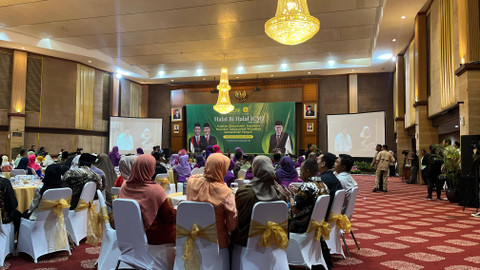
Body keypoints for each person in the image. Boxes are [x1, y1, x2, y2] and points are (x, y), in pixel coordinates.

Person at [118, 155, 176, 245]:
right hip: (151, 235)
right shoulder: (155, 189)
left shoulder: (124, 186)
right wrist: (178, 211)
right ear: (150, 170)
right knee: (185, 230)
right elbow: (168, 217)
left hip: (127, 233)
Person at [231, 155, 286, 247]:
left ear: (254, 169)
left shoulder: (245, 192)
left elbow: (239, 218)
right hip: (275, 240)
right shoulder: (280, 192)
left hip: (246, 240)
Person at [186, 153, 238, 249]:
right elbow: (232, 225)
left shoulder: (191, 182)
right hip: (217, 242)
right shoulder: (226, 192)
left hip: (194, 237)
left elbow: (196, 176)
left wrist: (208, 173)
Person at [289, 158, 329, 233]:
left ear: (307, 172)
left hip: (302, 226)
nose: (300, 174)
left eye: (301, 171)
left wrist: (290, 196)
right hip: (316, 224)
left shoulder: (306, 187)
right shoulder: (324, 185)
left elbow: (294, 208)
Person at [318, 152, 343, 218]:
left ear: (323, 164)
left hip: (321, 217)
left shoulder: (321, 180)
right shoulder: (334, 178)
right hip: (332, 215)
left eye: (318, 160)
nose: (316, 162)